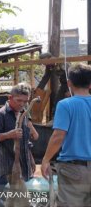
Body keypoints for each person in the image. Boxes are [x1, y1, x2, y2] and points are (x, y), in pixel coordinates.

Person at [41, 63, 91, 207]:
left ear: (69, 83)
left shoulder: (66, 105)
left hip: (73, 170)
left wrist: (45, 160)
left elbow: (58, 136)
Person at [0, 83, 39, 206]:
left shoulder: (24, 113)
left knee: (12, 191)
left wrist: (31, 158)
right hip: (8, 161)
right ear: (10, 98)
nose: (21, 104)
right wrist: (8, 135)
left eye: (25, 101)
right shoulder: (1, 115)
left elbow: (26, 140)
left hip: (21, 160)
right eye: (19, 100)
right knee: (21, 195)